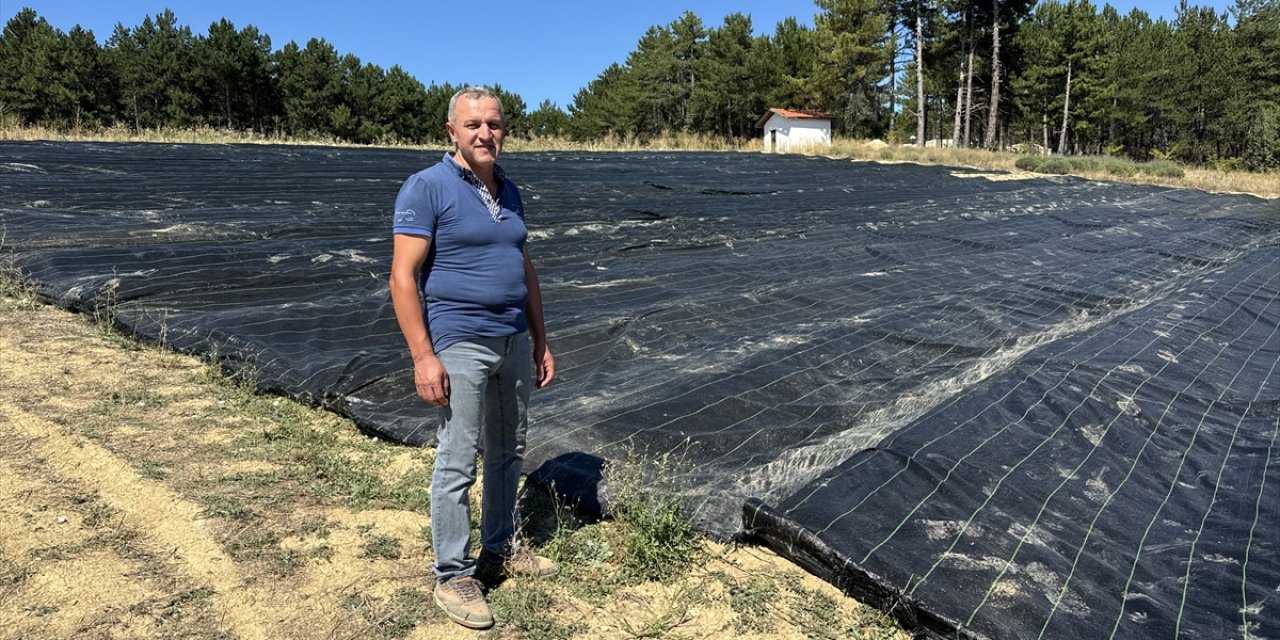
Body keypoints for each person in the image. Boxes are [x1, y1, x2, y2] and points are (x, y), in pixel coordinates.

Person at [389, 86, 557, 630]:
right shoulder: (427, 187)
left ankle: (501, 547)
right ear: (452, 131)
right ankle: (454, 573)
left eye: (495, 123)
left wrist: (539, 337)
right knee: (458, 458)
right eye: (473, 125)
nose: (486, 133)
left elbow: (523, 266)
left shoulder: (509, 191)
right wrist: (423, 356)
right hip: (459, 341)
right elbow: (402, 277)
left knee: (509, 450)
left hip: (511, 338)